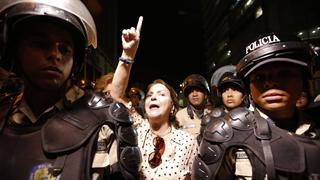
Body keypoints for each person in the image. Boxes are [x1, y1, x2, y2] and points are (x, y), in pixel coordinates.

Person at [0, 1, 141, 179]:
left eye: (64, 48)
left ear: (76, 60)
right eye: (40, 44)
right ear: (14, 49)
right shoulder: (4, 114)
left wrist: (127, 57)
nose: (55, 54)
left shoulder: (103, 122)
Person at [193, 33, 320, 179]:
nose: (271, 83)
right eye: (260, 77)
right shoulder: (224, 134)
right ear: (249, 88)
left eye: (284, 73)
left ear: (304, 79)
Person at [111, 18, 198, 180]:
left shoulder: (188, 142)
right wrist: (128, 54)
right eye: (150, 95)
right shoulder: (135, 131)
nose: (153, 97)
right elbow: (115, 96)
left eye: (161, 94)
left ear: (173, 106)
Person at [176, 74, 212, 139]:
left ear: (205, 94)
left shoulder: (213, 114)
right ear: (187, 96)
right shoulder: (180, 116)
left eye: (198, 90)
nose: (194, 94)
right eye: (191, 91)